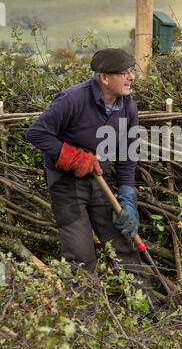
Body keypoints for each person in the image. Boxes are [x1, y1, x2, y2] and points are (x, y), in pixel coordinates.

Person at [26, 47, 158, 315]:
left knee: (123, 244)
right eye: (126, 72)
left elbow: (127, 153)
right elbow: (36, 133)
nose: (132, 77)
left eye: (131, 71)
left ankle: (148, 312)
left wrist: (127, 196)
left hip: (101, 179)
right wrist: (74, 158)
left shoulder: (127, 106)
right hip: (66, 183)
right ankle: (86, 326)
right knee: (81, 254)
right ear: (105, 78)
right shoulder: (72, 100)